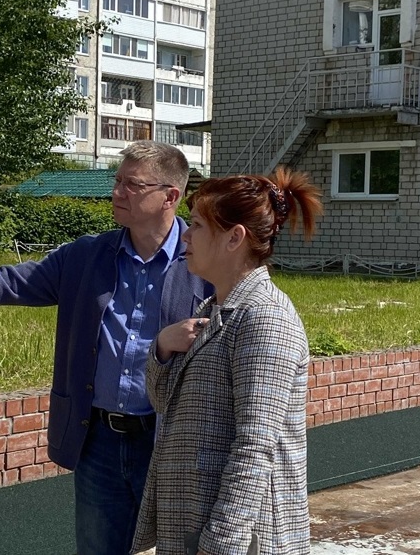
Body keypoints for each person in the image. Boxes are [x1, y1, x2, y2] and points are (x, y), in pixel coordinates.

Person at [0, 141, 212, 555]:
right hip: (99, 440)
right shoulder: (85, 257)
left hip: (174, 442)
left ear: (171, 196)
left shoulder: (203, 257)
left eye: (131, 185)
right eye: (117, 181)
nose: (116, 192)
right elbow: (2, 283)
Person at [131, 168, 323, 555]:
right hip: (191, 521)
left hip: (239, 538)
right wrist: (162, 349)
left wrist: (220, 545)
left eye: (198, 225)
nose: (185, 235)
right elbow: (164, 404)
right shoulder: (214, 309)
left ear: (235, 237)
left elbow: (255, 447)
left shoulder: (265, 319)